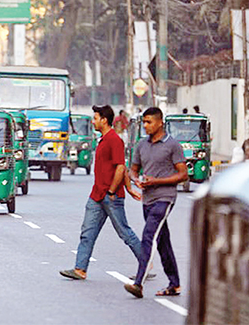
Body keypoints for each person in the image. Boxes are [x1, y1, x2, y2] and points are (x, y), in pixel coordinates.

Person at [59, 105, 142, 281]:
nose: (93, 121)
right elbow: (121, 168)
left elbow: (121, 167)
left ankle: (145, 261)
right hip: (97, 195)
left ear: (104, 120)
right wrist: (127, 188)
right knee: (87, 232)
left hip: (111, 196)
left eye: (95, 118)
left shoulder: (114, 140)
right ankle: (80, 269)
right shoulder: (103, 139)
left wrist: (116, 190)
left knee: (125, 233)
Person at [124, 107, 188, 299]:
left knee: (149, 236)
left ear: (160, 122)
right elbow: (133, 169)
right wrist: (136, 180)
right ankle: (174, 284)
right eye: (144, 122)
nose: (146, 126)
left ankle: (138, 284)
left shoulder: (173, 145)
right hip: (148, 199)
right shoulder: (141, 145)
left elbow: (183, 175)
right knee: (162, 242)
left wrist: (156, 181)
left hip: (165, 198)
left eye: (149, 122)